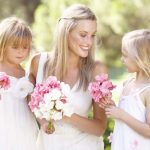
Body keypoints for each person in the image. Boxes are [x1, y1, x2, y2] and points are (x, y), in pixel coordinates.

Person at [29, 4, 107, 150]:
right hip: (47, 145)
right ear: (65, 32)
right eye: (83, 35)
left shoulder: (96, 70)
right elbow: (29, 98)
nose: (89, 42)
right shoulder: (38, 63)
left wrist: (67, 115)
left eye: (92, 35)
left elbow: (100, 128)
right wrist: (43, 122)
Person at [104, 29, 150, 150]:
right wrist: (114, 108)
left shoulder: (147, 91)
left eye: (125, 55)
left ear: (140, 58)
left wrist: (121, 114)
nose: (121, 59)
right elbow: (129, 113)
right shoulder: (127, 83)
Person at [0, 17, 39, 150]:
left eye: (25, 47)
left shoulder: (27, 74)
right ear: (3, 45)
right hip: (3, 125)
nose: (21, 51)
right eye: (15, 46)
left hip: (24, 126)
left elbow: (31, 104)